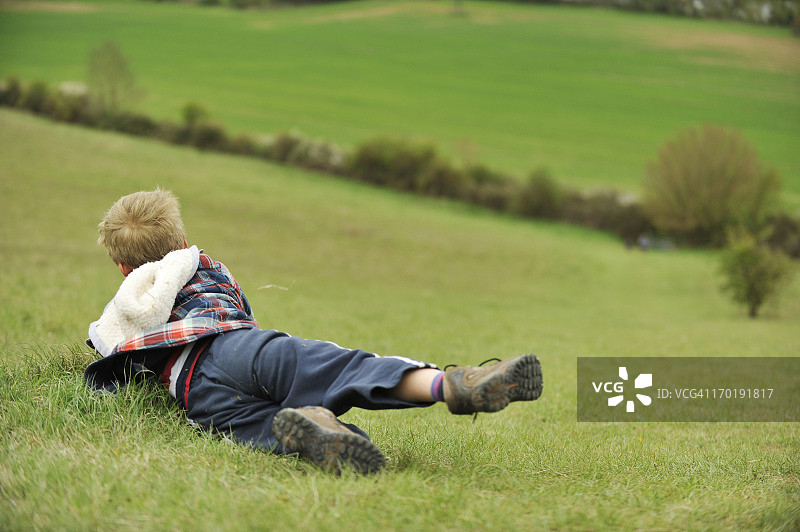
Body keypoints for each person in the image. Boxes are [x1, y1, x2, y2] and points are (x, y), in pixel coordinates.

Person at [85, 189, 543, 474]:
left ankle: (317, 430)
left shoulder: (121, 312)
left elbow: (115, 360)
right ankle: (451, 385)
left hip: (196, 393)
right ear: (182, 247)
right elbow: (243, 313)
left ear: (123, 269)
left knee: (259, 430)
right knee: (346, 369)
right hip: (243, 349)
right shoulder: (204, 266)